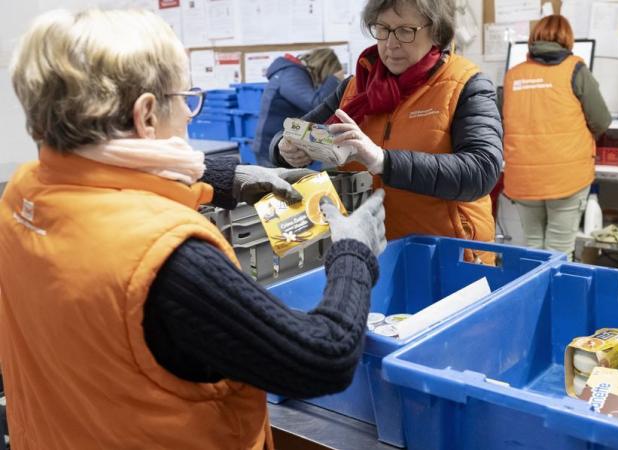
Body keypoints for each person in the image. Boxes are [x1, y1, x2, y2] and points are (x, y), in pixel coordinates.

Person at [0, 9, 386, 449]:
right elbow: (322, 357)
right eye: (184, 97)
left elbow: (113, 176)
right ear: (146, 115)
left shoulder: (24, 196)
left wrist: (227, 177)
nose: (188, 112)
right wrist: (353, 252)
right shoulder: (169, 260)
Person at [270, 0, 503, 264]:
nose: (390, 44)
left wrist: (383, 161)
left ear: (436, 31)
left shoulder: (466, 84)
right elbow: (294, 132)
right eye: (382, 29)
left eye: (405, 31)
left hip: (449, 257)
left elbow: (482, 171)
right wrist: (284, 148)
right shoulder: (355, 87)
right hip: (369, 256)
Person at [502, 15, 611, 258]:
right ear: (566, 40)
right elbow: (601, 120)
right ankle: (561, 297)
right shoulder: (575, 69)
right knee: (559, 251)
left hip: (523, 179)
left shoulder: (513, 75)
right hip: (566, 179)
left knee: (532, 248)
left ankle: (534, 295)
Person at [253, 48, 344, 167]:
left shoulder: (292, 72)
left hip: (282, 143)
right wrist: (335, 80)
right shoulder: (292, 73)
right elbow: (314, 104)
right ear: (323, 68)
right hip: (273, 148)